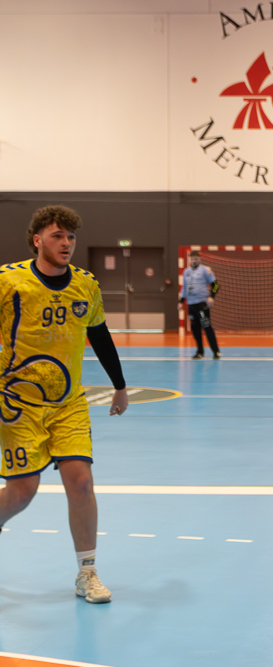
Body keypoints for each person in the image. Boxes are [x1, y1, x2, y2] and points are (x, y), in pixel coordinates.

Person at [0, 205, 129, 604]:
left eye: (71, 237)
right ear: (37, 240)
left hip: (68, 403)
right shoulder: (9, 282)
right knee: (22, 491)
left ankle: (87, 574)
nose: (66, 243)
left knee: (81, 481)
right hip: (18, 402)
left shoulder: (85, 285)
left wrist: (119, 386)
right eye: (57, 235)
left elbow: (100, 335)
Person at [179, 251, 221, 360]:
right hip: (191, 305)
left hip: (202, 305)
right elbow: (184, 288)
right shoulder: (186, 272)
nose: (194, 261)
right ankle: (199, 352)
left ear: (199, 259)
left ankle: (216, 351)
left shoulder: (205, 270)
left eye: (196, 259)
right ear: (190, 259)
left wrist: (212, 297)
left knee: (206, 326)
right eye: (192, 259)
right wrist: (180, 301)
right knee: (195, 329)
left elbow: (216, 285)